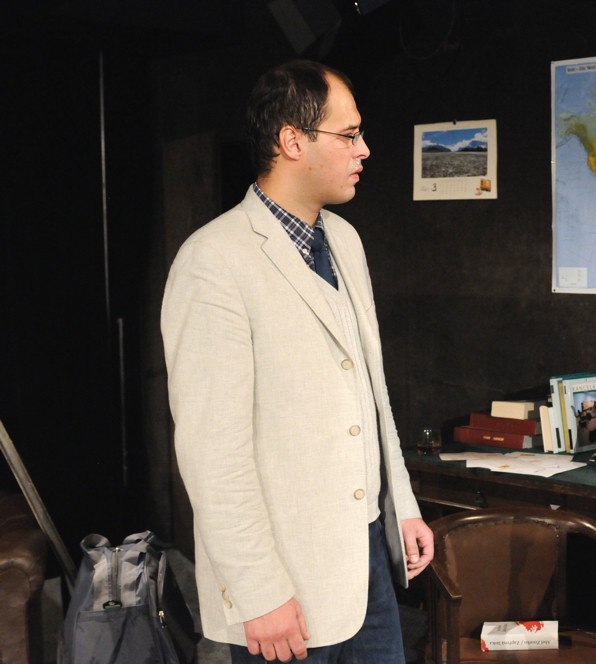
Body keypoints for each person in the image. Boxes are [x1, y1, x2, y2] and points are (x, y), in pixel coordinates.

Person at [161, 60, 434, 663]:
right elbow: (212, 454)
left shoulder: (345, 240)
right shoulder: (214, 260)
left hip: (367, 560)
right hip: (284, 580)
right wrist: (259, 592)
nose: (364, 150)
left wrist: (402, 506)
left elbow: (371, 392)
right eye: (348, 135)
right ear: (292, 140)